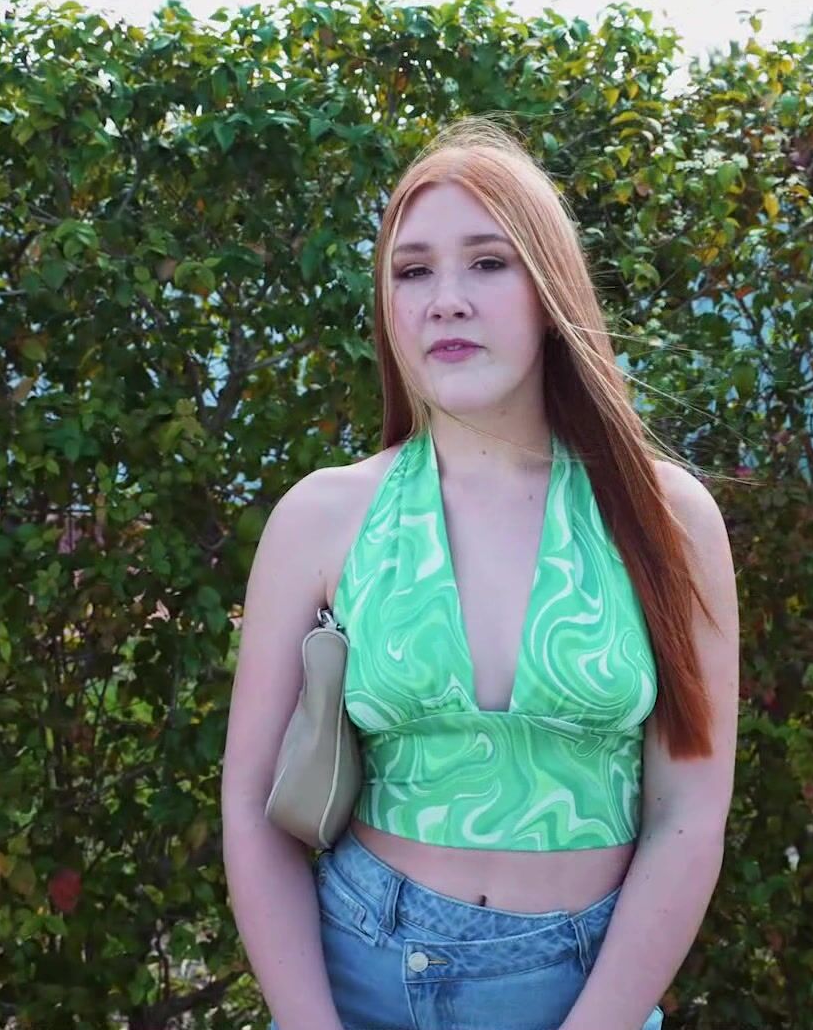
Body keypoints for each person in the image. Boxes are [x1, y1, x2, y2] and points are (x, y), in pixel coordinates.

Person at [220, 116, 741, 1030]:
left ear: (550, 290)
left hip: (586, 992)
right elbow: (252, 804)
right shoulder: (322, 517)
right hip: (359, 977)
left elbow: (688, 813)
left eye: (488, 263)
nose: (445, 301)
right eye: (412, 271)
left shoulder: (666, 518)